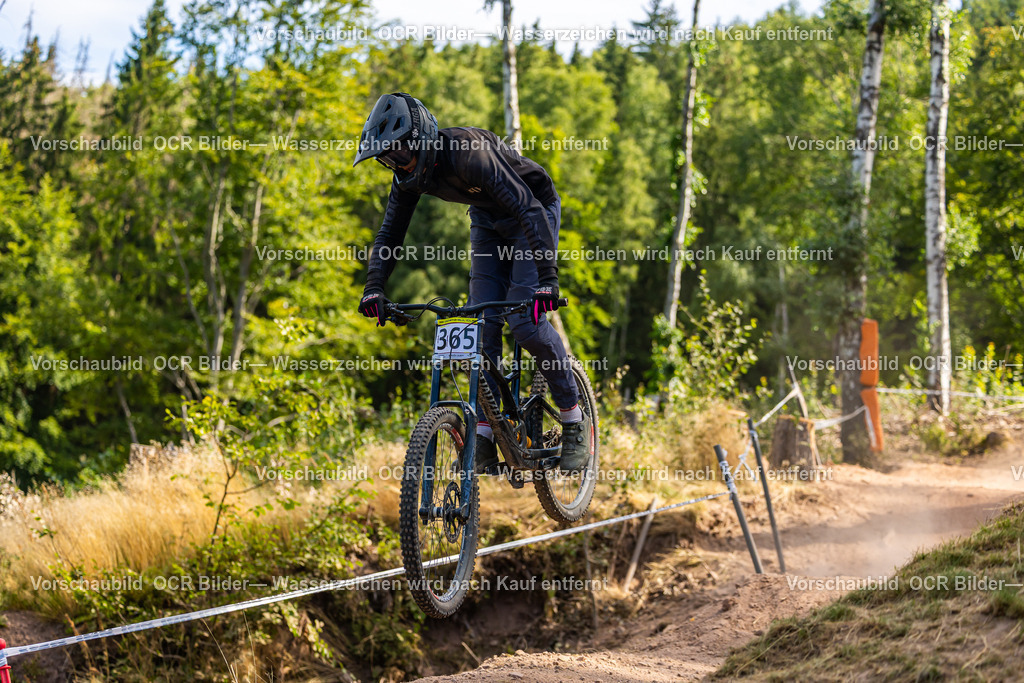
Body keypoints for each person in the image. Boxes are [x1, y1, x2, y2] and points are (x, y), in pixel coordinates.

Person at [352, 92, 590, 474]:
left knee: (525, 324)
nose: (394, 165)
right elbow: (390, 233)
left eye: (398, 154)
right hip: (487, 221)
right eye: (385, 160)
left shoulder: (469, 152)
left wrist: (547, 279)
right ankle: (485, 430)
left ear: (421, 139)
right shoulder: (407, 180)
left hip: (533, 211)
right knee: (481, 329)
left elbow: (528, 208)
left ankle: (574, 419)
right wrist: (374, 287)